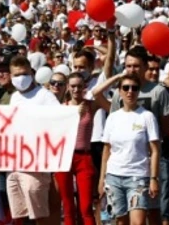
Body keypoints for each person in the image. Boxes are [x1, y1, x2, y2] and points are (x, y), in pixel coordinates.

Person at [54, 71, 115, 225]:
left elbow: (99, 92)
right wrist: (72, 114)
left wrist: (118, 76)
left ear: (85, 87)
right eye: (73, 86)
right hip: (65, 157)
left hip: (84, 156)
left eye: (79, 86)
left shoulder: (90, 105)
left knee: (86, 207)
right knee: (68, 208)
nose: (76, 90)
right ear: (67, 87)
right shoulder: (61, 108)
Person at [99, 73, 160, 225]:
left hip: (138, 176)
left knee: (138, 222)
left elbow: (155, 150)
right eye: (126, 88)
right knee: (120, 221)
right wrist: (102, 179)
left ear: (139, 91)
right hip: (114, 176)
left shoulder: (147, 116)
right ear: (119, 91)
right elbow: (106, 150)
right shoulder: (112, 117)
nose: (130, 91)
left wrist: (153, 179)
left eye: (134, 88)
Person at [6, 56, 60, 225]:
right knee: (19, 215)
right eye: (15, 75)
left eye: (24, 73)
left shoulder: (45, 96)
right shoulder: (14, 97)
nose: (20, 78)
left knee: (40, 214)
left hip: (36, 165)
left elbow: (59, 122)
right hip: (14, 165)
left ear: (32, 73)